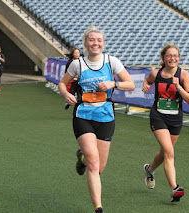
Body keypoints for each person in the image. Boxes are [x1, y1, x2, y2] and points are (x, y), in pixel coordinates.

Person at [58, 26, 135, 213]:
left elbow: (130, 84)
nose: (95, 43)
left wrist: (113, 83)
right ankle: (98, 208)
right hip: (83, 115)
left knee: (99, 167)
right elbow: (62, 83)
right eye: (91, 40)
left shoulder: (112, 62)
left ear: (104, 43)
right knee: (94, 162)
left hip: (105, 116)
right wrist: (65, 94)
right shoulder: (78, 64)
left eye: (99, 40)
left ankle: (81, 158)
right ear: (86, 43)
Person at [141, 43, 189, 202]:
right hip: (158, 116)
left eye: (175, 56)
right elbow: (148, 80)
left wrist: (178, 87)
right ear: (163, 58)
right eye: (169, 56)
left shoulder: (183, 75)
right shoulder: (156, 73)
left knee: (165, 153)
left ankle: (149, 170)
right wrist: (146, 84)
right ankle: (174, 188)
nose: (172, 58)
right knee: (170, 153)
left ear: (179, 58)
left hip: (175, 118)